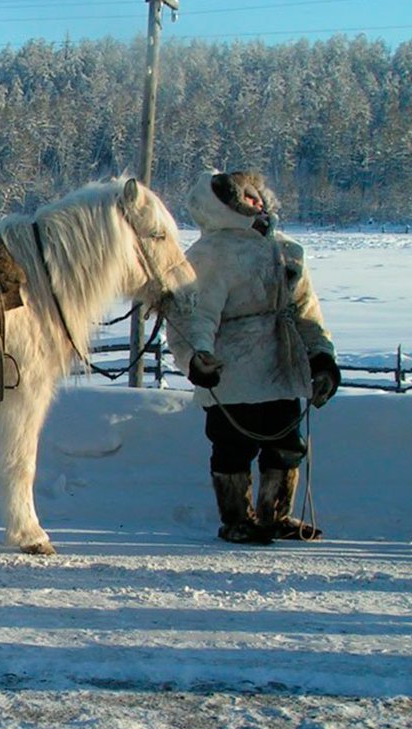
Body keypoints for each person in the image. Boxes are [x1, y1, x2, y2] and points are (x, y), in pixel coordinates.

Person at [168, 169, 340, 545]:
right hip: (233, 370)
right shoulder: (209, 255)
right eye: (245, 196)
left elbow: (305, 312)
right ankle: (237, 518)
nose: (256, 201)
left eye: (256, 193)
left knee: (286, 442)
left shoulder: (286, 251)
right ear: (223, 205)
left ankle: (274, 515)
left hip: (282, 364)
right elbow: (196, 316)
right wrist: (198, 358)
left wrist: (321, 358)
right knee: (233, 445)